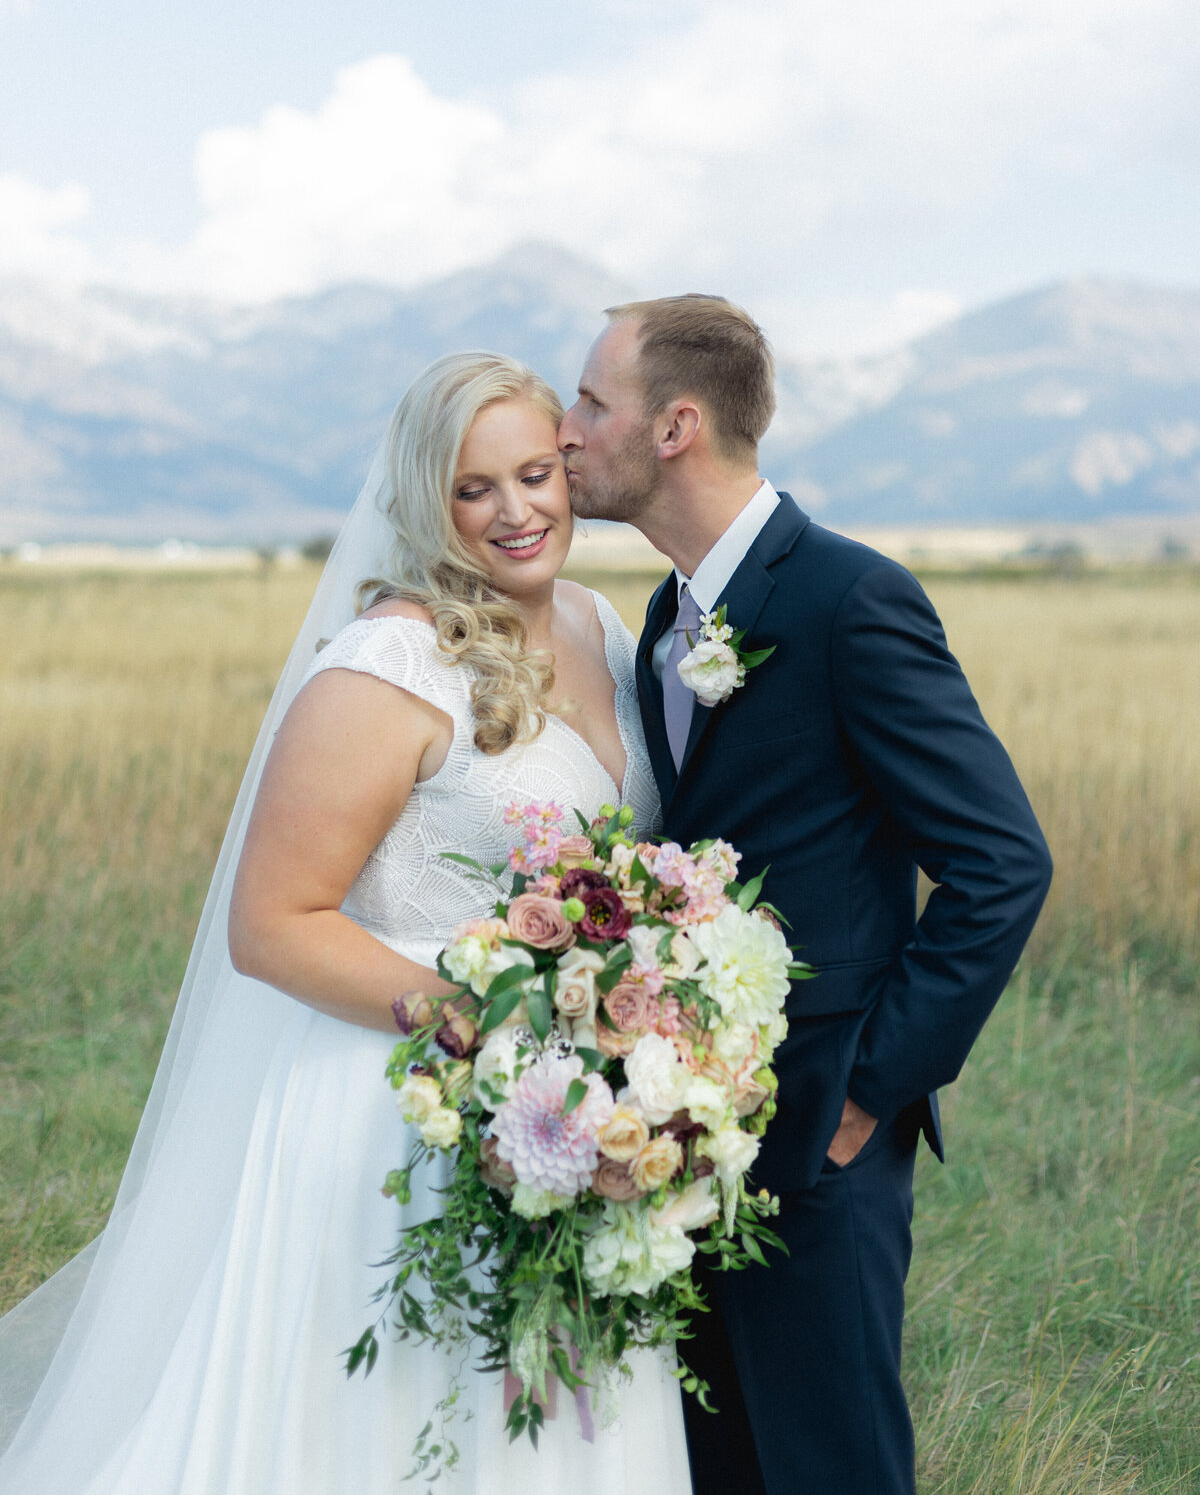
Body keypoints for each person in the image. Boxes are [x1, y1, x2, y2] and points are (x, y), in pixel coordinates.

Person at [0, 353, 691, 1495]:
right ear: (429, 501)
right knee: (388, 1430)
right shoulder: (388, 666)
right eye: (476, 491)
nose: (517, 512)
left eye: (534, 475)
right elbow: (271, 923)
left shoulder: (599, 624)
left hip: (576, 1115)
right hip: (401, 1108)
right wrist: (480, 1028)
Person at [558, 294, 1054, 1495]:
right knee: (715, 1461)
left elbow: (1002, 861)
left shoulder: (848, 599)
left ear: (675, 426)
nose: (566, 431)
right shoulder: (669, 618)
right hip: (682, 1133)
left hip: (822, 1131)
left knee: (832, 1463)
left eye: (589, 403)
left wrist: (866, 1094)